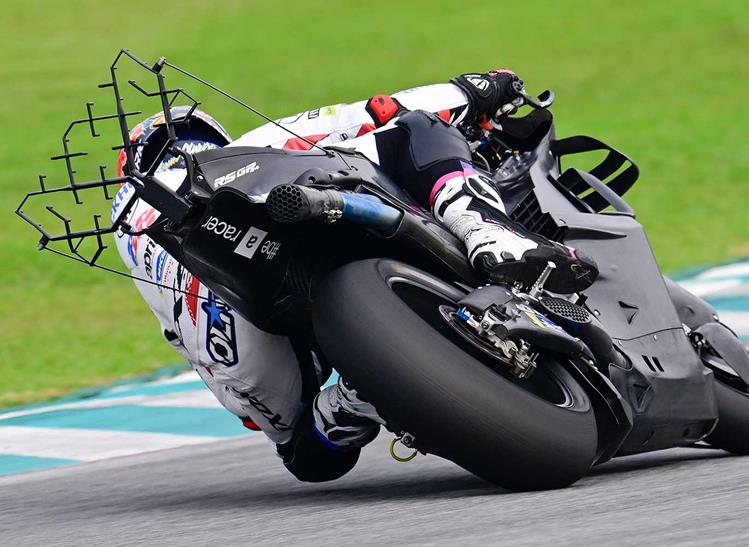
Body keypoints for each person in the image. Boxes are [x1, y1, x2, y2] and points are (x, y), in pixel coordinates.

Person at [113, 69, 598, 482]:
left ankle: (343, 409)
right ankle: (482, 228)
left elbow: (184, 341)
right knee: (413, 129)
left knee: (299, 448)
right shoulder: (237, 152)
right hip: (299, 242)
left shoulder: (137, 246)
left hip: (245, 344)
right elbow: (373, 111)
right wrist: (475, 90)